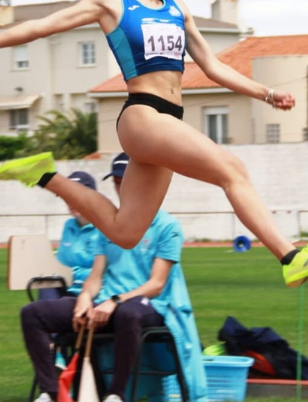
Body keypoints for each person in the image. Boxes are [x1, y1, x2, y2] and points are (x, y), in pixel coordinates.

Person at [0, 0, 308, 287]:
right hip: (142, 115)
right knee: (233, 170)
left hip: (167, 120)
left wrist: (266, 92)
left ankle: (43, 174)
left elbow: (212, 66)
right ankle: (291, 256)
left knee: (126, 232)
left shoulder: (177, 8)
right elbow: (44, 26)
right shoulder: (112, 2)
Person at [21, 153, 207, 402]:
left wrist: (116, 300)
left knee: (128, 313)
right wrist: (86, 297)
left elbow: (156, 284)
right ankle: (51, 391)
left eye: (124, 181)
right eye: (116, 182)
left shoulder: (167, 226)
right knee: (32, 313)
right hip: (107, 303)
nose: (120, 188)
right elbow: (96, 275)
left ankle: (115, 395)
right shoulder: (108, 224)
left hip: (150, 305)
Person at [39, 171, 103, 301]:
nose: (71, 202)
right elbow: (61, 264)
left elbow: (105, 273)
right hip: (69, 289)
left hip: (97, 294)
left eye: (76, 196)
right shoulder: (69, 226)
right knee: (45, 285)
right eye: (67, 197)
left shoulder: (106, 227)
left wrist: (71, 274)